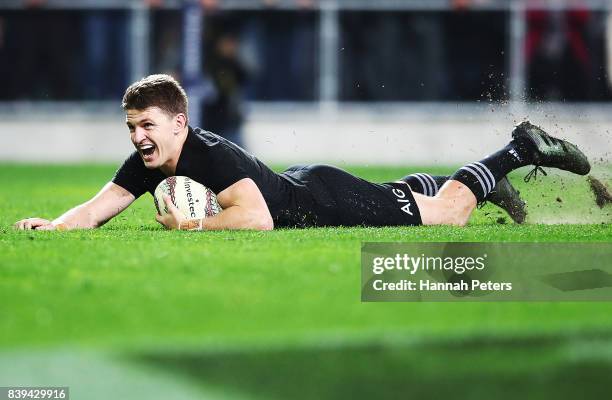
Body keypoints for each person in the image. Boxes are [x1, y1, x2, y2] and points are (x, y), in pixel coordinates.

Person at [14, 74, 590, 232]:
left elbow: (257, 220)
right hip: (303, 188)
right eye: (132, 126)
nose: (138, 135)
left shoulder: (208, 156)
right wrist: (57, 226)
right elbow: (100, 206)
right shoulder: (148, 160)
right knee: (410, 201)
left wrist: (194, 226)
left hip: (324, 199)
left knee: (450, 214)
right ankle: (456, 178)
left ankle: (513, 152)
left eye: (147, 124)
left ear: (179, 122)